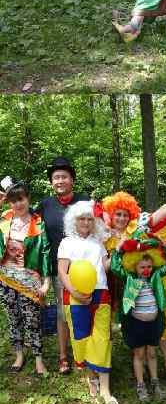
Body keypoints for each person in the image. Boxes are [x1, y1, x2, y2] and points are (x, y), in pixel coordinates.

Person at [102, 191, 166, 386]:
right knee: (133, 325)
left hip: (152, 284)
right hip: (123, 288)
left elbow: (161, 213)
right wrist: (117, 247)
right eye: (118, 214)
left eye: (125, 214)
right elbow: (105, 267)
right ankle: (140, 364)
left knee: (164, 322)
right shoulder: (104, 237)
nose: (122, 218)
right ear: (111, 215)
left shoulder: (139, 227)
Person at [57, 200, 121, 404]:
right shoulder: (66, 242)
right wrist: (74, 291)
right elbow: (62, 272)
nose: (85, 222)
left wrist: (118, 251)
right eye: (81, 219)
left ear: (94, 222)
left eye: (89, 219)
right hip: (75, 296)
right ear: (73, 220)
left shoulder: (98, 243)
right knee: (81, 338)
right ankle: (91, 377)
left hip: (101, 293)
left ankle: (105, 390)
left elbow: (105, 267)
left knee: (102, 338)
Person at [35, 157, 89, 375]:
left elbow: (100, 224)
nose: (59, 181)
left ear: (72, 180)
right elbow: (27, 224)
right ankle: (63, 356)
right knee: (62, 312)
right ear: (51, 182)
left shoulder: (84, 201)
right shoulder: (45, 205)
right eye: (55, 177)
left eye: (63, 177)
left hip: (86, 267)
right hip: (60, 269)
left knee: (85, 307)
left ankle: (85, 353)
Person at [110, 231, 166, 402]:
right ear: (134, 266)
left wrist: (165, 246)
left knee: (152, 354)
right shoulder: (129, 278)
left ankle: (155, 381)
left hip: (154, 323)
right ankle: (141, 384)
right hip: (136, 324)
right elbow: (115, 267)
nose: (146, 270)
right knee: (139, 354)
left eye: (149, 266)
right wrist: (118, 249)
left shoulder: (156, 276)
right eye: (142, 267)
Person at [0, 177, 51, 377]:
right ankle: (19, 355)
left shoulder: (38, 223)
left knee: (32, 320)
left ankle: (38, 359)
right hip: (6, 280)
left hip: (29, 281)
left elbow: (45, 253)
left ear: (28, 198)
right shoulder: (4, 220)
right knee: (14, 319)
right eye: (13, 200)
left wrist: (46, 282)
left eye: (21, 199)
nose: (18, 204)